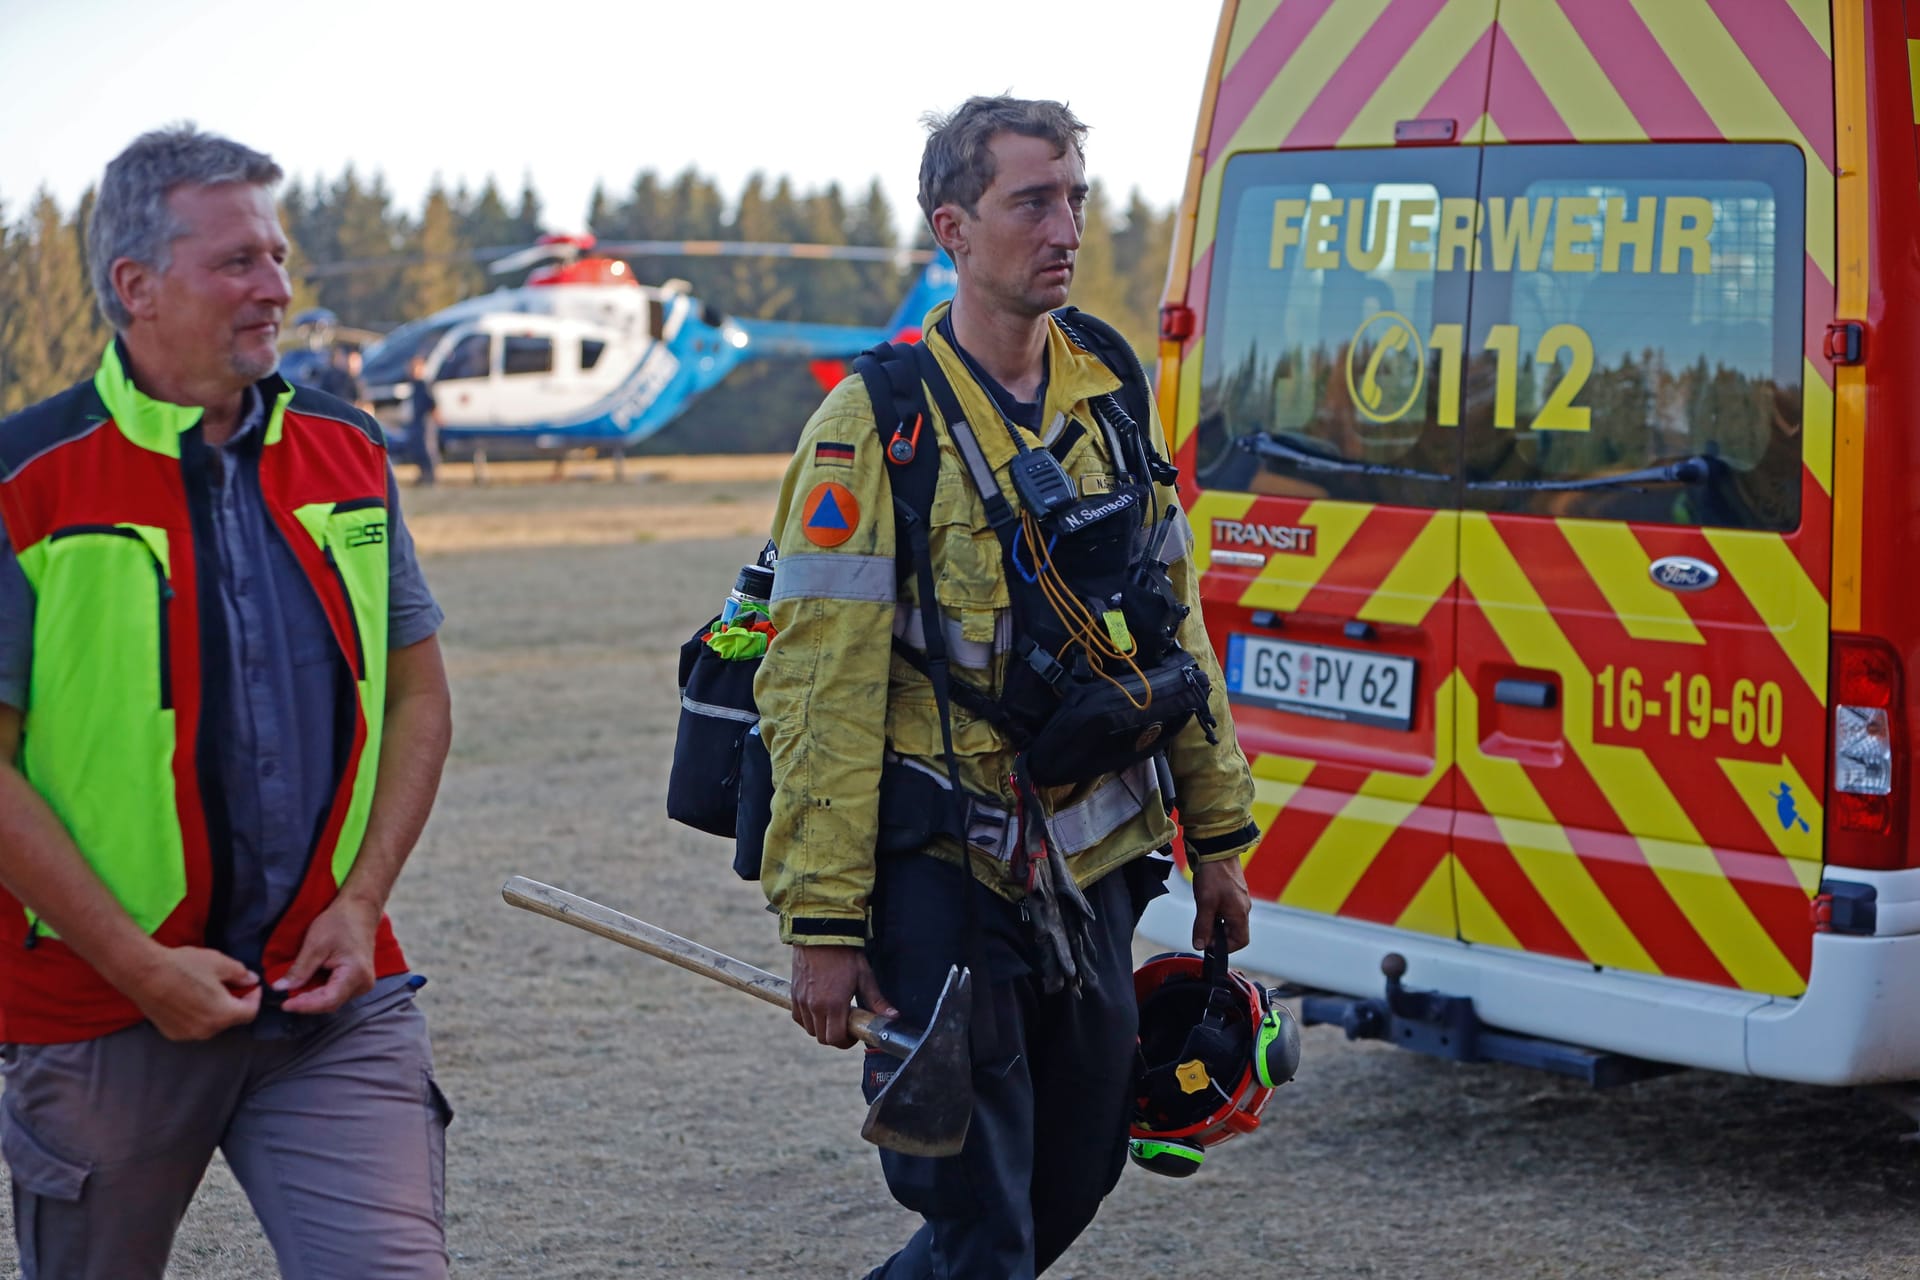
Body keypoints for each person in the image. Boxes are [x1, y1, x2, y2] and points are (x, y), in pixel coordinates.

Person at [754, 96, 1260, 1279]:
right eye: (1033, 200)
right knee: (982, 1217)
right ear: (953, 227)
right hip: (946, 877)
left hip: (1098, 876)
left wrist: (1220, 834)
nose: (1065, 226)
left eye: (1075, 196)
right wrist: (823, 924)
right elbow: (818, 688)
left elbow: (1173, 626)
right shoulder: (873, 425)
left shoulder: (1110, 393)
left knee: (1073, 1176)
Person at [0, 126, 454, 1279]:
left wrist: (360, 904)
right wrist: (139, 964)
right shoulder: (25, 480)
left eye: (280, 256)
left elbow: (417, 693)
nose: (279, 290)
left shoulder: (348, 451)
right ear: (136, 285)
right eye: (240, 261)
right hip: (99, 1008)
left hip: (332, 995)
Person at [405, 355, 441, 486]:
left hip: (425, 423)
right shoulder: (414, 385)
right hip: (416, 422)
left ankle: (431, 476)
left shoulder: (425, 385)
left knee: (427, 449)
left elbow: (433, 404)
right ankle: (423, 474)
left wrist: (437, 419)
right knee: (417, 449)